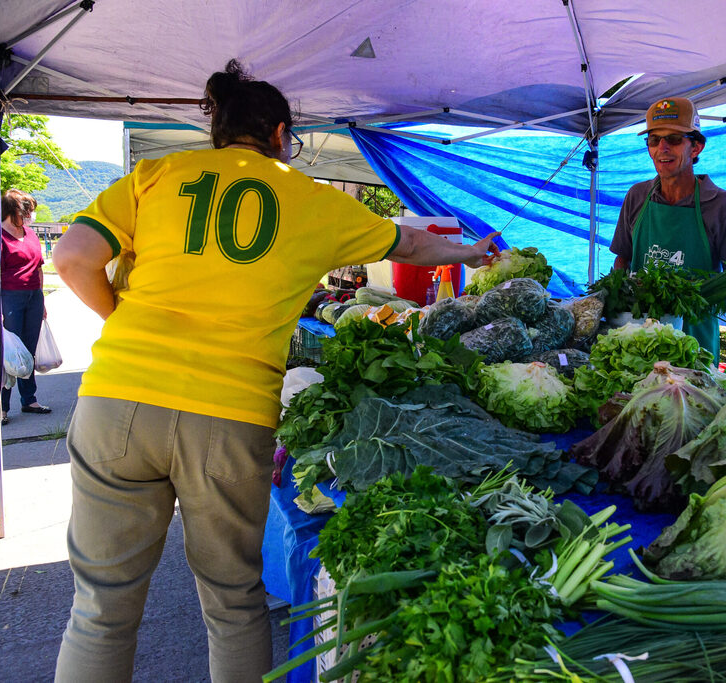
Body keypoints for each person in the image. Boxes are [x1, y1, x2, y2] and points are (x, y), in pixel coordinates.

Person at [51, 59, 498, 683]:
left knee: (100, 609)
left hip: (116, 404)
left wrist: (119, 315)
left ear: (218, 128)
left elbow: (71, 257)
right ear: (282, 133)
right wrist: (473, 251)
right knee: (233, 605)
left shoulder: (156, 175)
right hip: (228, 415)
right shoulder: (310, 199)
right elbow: (414, 245)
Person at [610, 96, 726, 363]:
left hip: (694, 341)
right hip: (639, 339)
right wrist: (619, 295)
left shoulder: (723, 205)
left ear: (696, 147)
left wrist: (686, 293)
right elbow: (622, 259)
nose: (663, 148)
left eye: (674, 139)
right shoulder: (637, 195)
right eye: (654, 140)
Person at [0, 188, 52, 426]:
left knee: (28, 351)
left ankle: (29, 400)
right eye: (27, 211)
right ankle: (1, 407)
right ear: (13, 211)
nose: (31, 215)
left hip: (33, 297)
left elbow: (38, 267)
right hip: (9, 297)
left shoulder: (29, 234)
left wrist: (41, 300)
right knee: (8, 354)